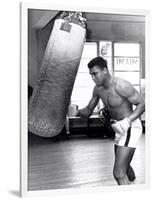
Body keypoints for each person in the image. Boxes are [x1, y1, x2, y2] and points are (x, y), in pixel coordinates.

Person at [75, 56, 145, 185]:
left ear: (105, 70)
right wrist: (77, 112)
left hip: (130, 127)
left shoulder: (121, 86)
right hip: (118, 129)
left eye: (95, 74)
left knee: (118, 173)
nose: (93, 78)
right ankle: (134, 185)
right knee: (125, 166)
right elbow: (88, 111)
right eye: (91, 75)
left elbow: (142, 104)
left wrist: (128, 121)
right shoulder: (98, 89)